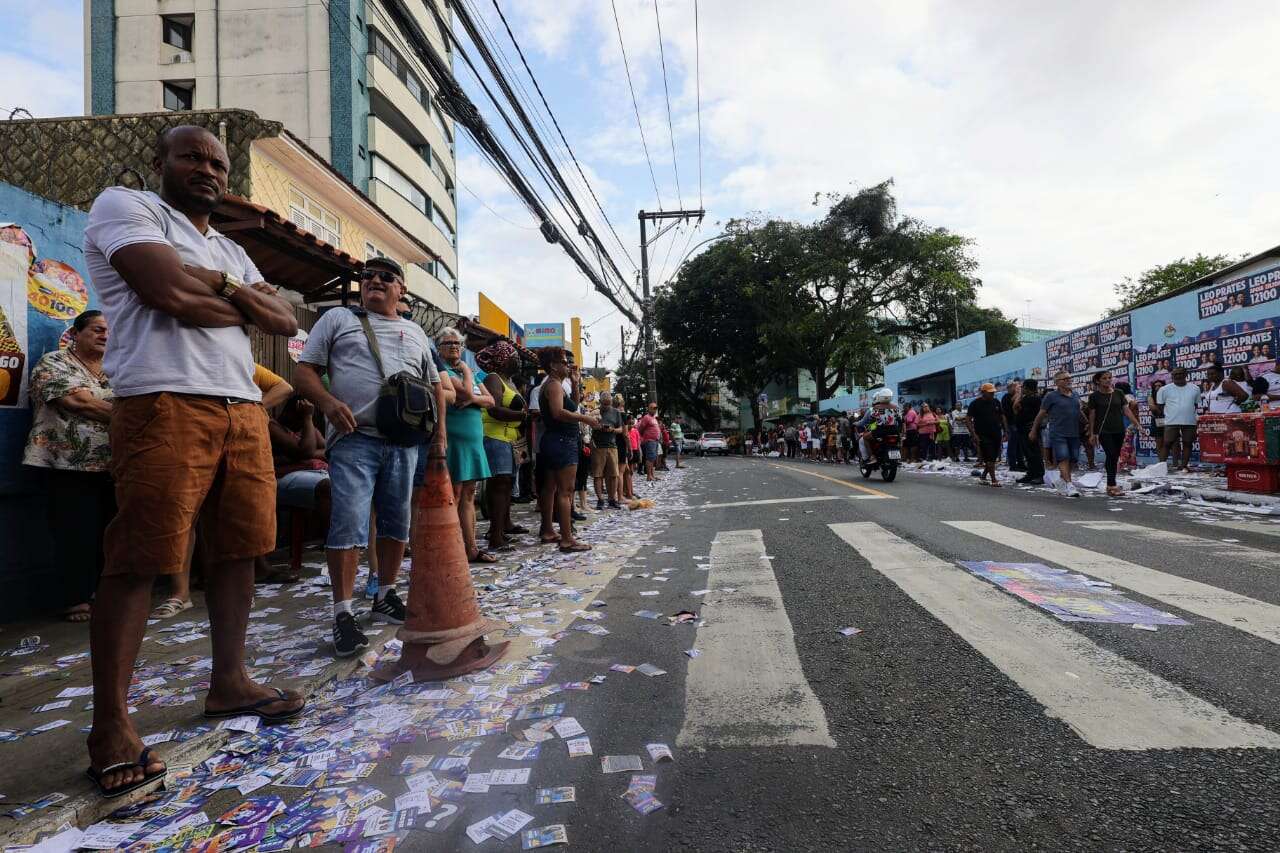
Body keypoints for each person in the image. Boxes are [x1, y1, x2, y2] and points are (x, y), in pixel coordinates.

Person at [82, 125, 303, 796]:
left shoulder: (229, 248)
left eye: (217, 162)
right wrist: (235, 299)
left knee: (240, 550)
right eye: (192, 157)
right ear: (161, 164)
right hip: (163, 399)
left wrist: (221, 283)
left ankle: (229, 682)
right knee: (141, 557)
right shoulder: (127, 206)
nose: (206, 169)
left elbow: (284, 323)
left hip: (241, 407)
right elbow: (164, 294)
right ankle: (110, 724)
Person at [295, 256, 446, 658]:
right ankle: (343, 612)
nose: (374, 281)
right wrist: (327, 403)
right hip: (354, 438)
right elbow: (304, 371)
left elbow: (434, 389)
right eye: (368, 276)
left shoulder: (415, 332)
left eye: (386, 277)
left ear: (401, 291)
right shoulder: (338, 320)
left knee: (397, 522)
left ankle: (386, 593)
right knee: (349, 524)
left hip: (405, 442)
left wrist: (439, 441)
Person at [23, 310, 115, 622]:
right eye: (97, 329)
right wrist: (129, 418)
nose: (105, 335)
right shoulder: (55, 362)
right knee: (75, 532)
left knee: (110, 531)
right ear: (75, 334)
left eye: (108, 331)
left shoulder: (114, 369)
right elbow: (79, 402)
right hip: (66, 464)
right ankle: (76, 598)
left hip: (113, 464)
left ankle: (105, 594)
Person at [437, 327, 496, 563]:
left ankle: (470, 547)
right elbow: (462, 394)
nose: (454, 347)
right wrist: (468, 376)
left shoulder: (469, 371)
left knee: (470, 493)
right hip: (454, 438)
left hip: (472, 440)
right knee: (456, 494)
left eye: (457, 343)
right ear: (439, 348)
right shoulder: (443, 370)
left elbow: (490, 400)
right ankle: (455, 547)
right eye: (448, 343)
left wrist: (473, 396)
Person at [263, 394, 331, 584]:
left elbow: (328, 450)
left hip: (307, 475)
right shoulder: (273, 427)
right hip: (281, 480)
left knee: (346, 483)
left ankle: (349, 542)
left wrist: (304, 454)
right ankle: (332, 544)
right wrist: (307, 419)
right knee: (328, 487)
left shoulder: (308, 430)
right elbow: (307, 451)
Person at [536, 347, 600, 551]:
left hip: (555, 441)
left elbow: (573, 404)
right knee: (566, 491)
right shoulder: (553, 385)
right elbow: (558, 412)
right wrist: (585, 419)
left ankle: (548, 530)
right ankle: (567, 538)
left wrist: (574, 381)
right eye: (564, 362)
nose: (568, 364)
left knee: (551, 488)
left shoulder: (554, 384)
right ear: (553, 365)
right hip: (562, 441)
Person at [478, 341, 524, 551]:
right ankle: (495, 535)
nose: (519, 362)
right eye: (515, 358)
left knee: (507, 486)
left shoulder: (510, 381)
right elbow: (494, 409)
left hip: (509, 439)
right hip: (495, 437)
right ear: (503, 360)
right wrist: (523, 415)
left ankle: (505, 525)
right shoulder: (493, 379)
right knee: (500, 485)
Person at [1087, 370, 1143, 497]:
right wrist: (1092, 433)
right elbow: (1092, 415)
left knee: (1114, 456)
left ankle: (1110, 484)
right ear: (1098, 381)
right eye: (1104, 378)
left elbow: (1126, 410)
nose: (1108, 380)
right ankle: (1111, 484)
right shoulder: (1094, 396)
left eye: (1109, 377)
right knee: (1110, 453)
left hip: (1118, 429)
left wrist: (1137, 424)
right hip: (1103, 430)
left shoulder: (1119, 393)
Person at [1032, 371, 1084, 497]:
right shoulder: (1051, 396)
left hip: (1074, 432)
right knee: (1063, 457)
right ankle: (1069, 484)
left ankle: (1062, 480)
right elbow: (1041, 414)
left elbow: (1078, 412)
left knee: (1074, 458)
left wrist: (1087, 423)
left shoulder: (1075, 395)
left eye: (1069, 378)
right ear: (1057, 382)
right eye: (1064, 379)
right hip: (1058, 432)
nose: (1068, 380)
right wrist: (1033, 429)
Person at [1156, 367, 1201, 472]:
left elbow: (1195, 404)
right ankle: (1160, 467)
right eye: (1175, 374)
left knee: (1188, 443)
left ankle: (1184, 466)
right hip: (1171, 421)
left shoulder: (1195, 388)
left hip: (1189, 421)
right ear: (1172, 376)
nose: (1177, 376)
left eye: (1180, 373)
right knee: (1167, 443)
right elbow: (1160, 406)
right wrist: (1171, 414)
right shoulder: (1164, 389)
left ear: (1186, 374)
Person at [965, 383, 1006, 487]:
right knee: (989, 457)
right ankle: (994, 480)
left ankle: (983, 476)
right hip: (982, 434)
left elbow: (1002, 416)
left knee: (993, 458)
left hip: (996, 433)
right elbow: (968, 419)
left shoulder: (996, 402)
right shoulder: (975, 404)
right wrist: (973, 434)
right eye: (990, 392)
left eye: (993, 392)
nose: (992, 394)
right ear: (983, 392)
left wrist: (1006, 430)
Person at [591, 392, 625, 509]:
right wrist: (599, 427)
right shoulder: (595, 411)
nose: (606, 406)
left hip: (612, 446)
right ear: (600, 402)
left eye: (608, 404)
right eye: (604, 404)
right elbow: (589, 426)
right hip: (598, 446)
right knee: (598, 474)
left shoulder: (616, 412)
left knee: (614, 474)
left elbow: (621, 429)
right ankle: (600, 499)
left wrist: (612, 430)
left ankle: (612, 499)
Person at [1014, 378, 1044, 485]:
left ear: (1027, 388)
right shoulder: (1029, 398)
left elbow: (1015, 406)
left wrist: (1020, 395)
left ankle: (1039, 475)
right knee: (1027, 453)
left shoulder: (1034, 399)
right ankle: (1031, 473)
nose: (1022, 389)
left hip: (1030, 429)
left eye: (1023, 387)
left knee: (1034, 453)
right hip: (1023, 429)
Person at [1002, 381, 1024, 471]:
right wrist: (1006, 428)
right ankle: (1013, 465)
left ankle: (1021, 464)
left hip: (1018, 423)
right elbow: (1004, 414)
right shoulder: (1006, 397)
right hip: (1011, 423)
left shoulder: (1017, 396)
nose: (1016, 388)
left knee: (1019, 446)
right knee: (1012, 445)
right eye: (1014, 387)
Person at [638, 402, 662, 482]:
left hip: (655, 441)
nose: (655, 410)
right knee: (650, 458)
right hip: (649, 441)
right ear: (649, 408)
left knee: (653, 458)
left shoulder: (654, 418)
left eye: (656, 408)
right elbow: (640, 429)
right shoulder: (646, 417)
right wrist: (646, 436)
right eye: (653, 408)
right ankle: (649, 476)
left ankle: (652, 475)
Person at [1147, 379, 1167, 460]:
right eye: (1156, 386)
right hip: (1157, 420)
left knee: (1170, 442)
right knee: (1159, 443)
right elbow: (1153, 409)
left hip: (1169, 420)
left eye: (1159, 385)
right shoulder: (1151, 396)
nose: (1157, 387)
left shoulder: (1167, 396)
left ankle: (1174, 463)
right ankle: (1161, 462)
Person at [624, 412, 640, 500]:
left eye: (632, 423)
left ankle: (630, 491)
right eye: (629, 424)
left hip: (634, 451)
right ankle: (628, 492)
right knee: (628, 472)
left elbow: (638, 442)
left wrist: (639, 453)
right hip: (628, 452)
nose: (631, 425)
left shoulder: (635, 431)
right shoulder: (625, 431)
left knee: (631, 472)